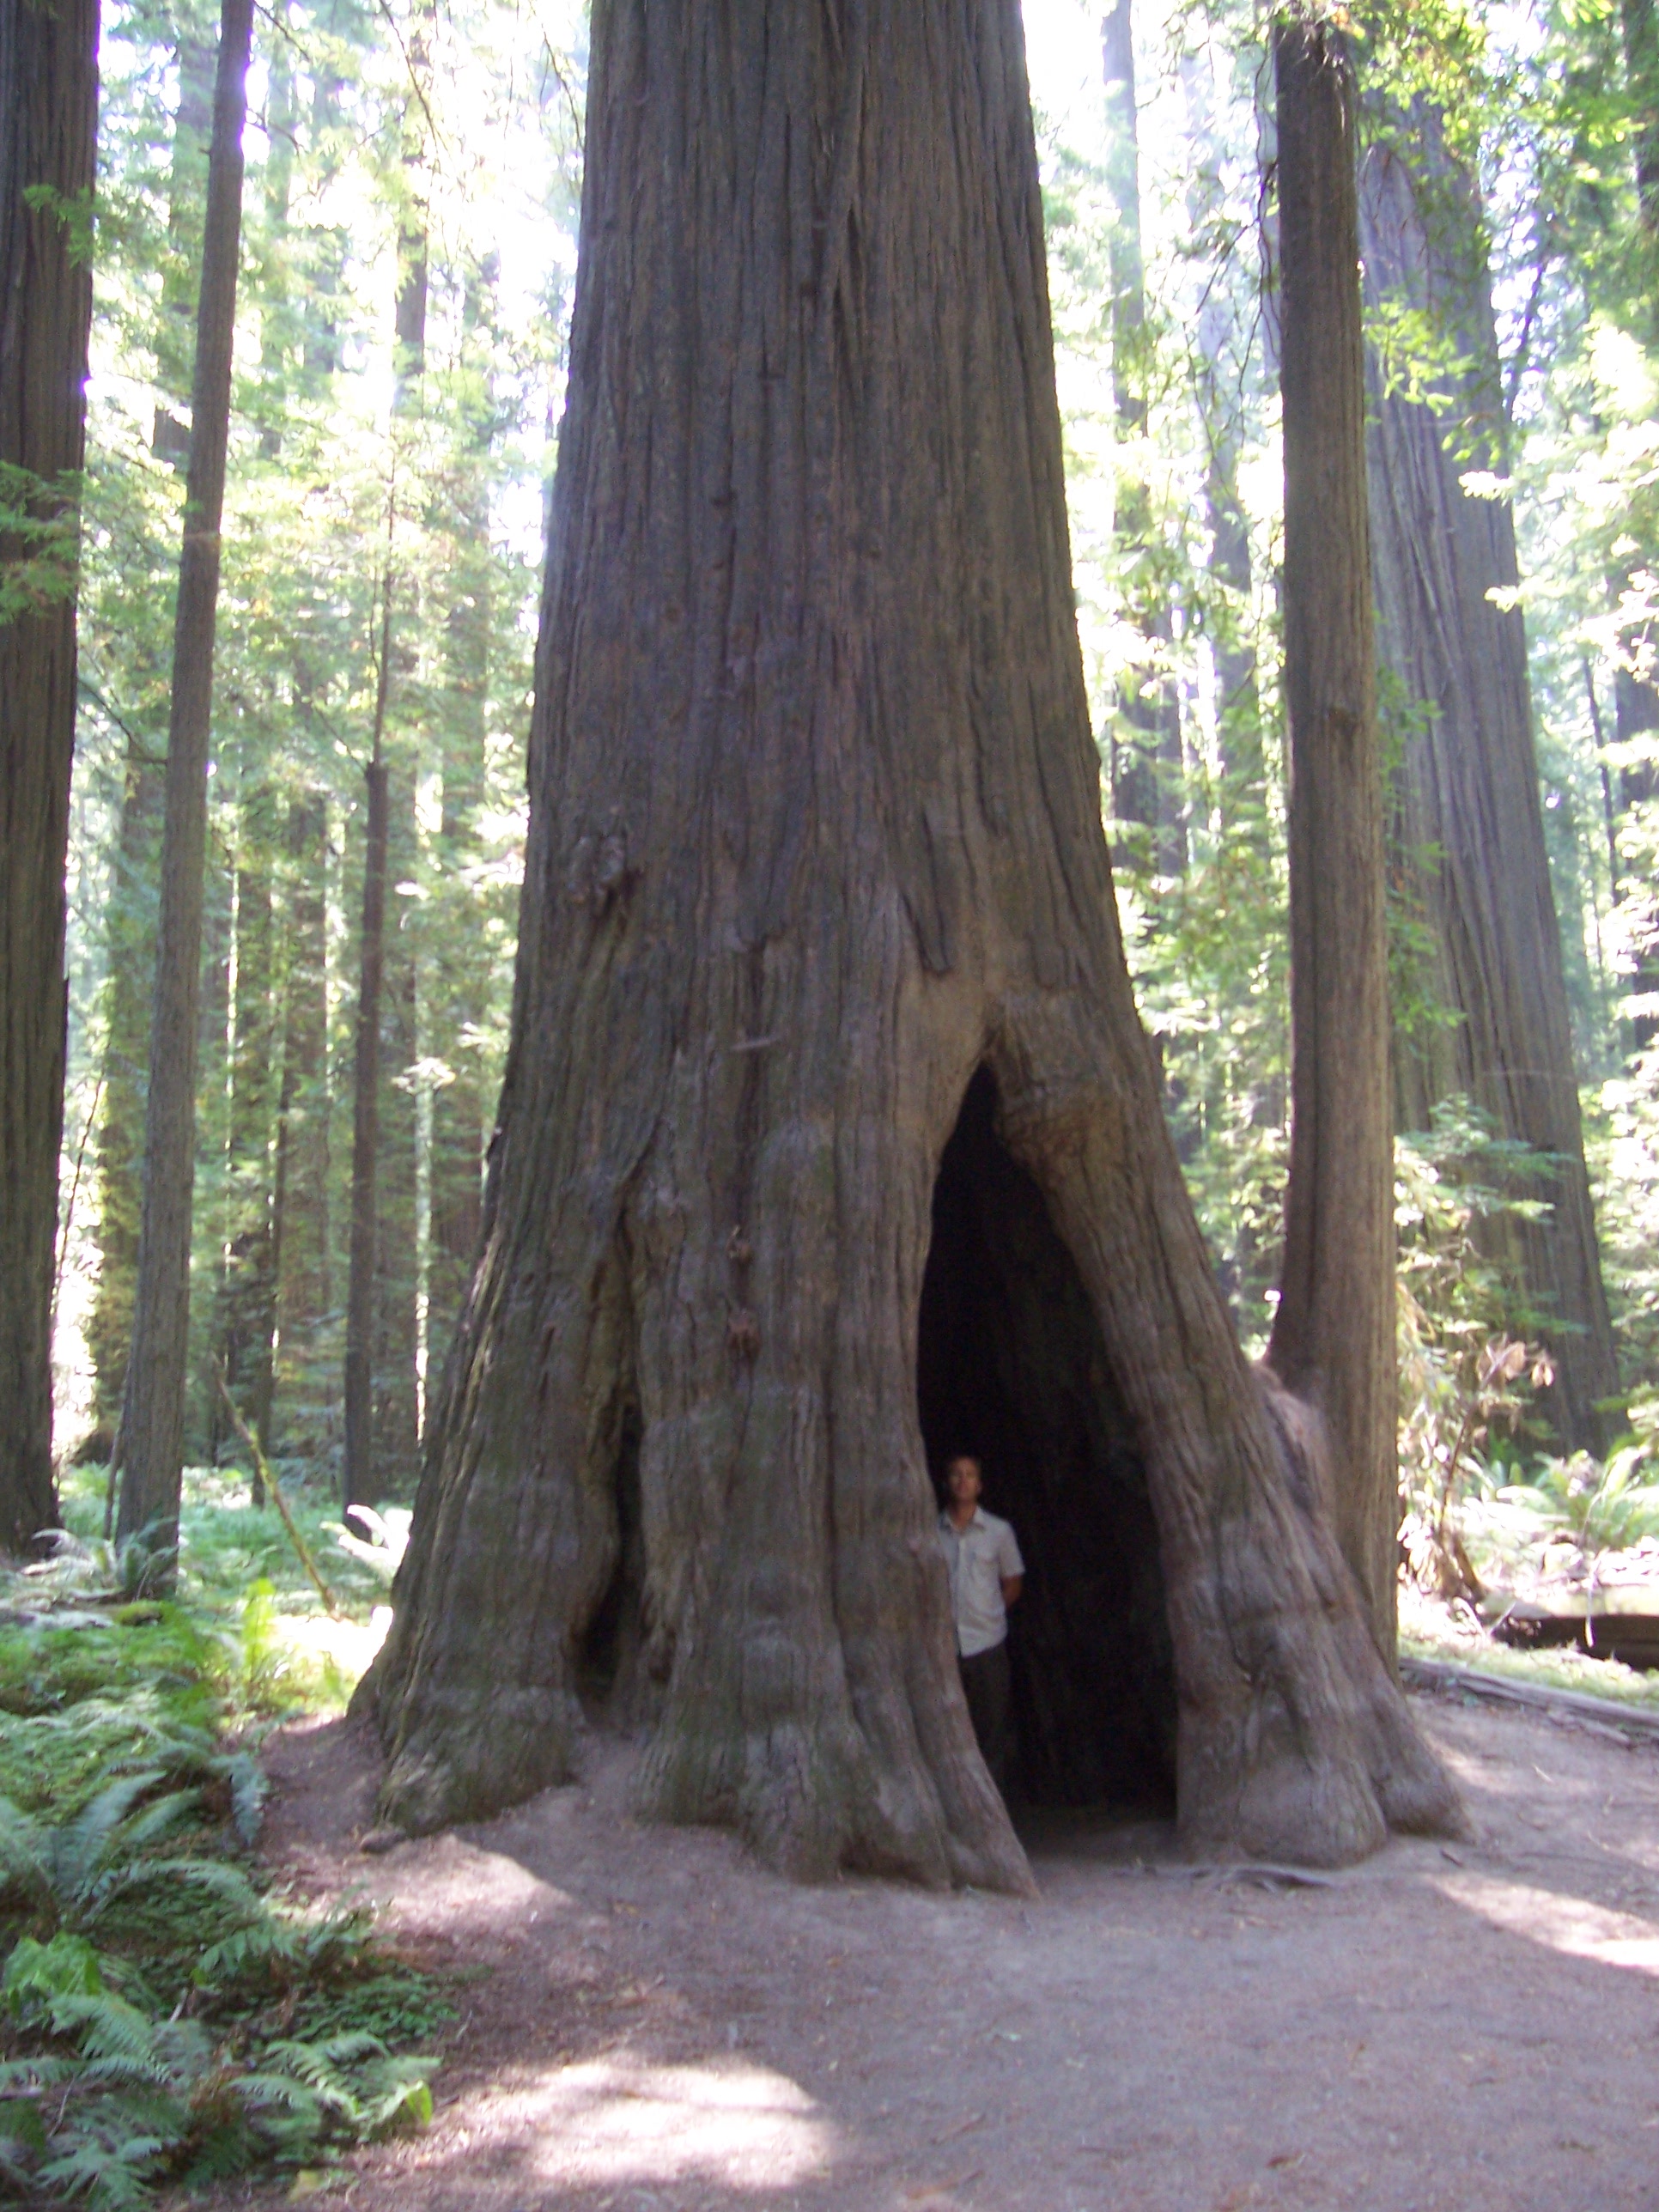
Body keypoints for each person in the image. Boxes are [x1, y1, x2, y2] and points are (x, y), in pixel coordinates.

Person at [937, 1455, 1024, 1791]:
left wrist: (991, 1612)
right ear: (947, 1482)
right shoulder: (931, 1530)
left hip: (987, 1644)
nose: (963, 1481)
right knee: (949, 1734)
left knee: (991, 1732)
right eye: (956, 1474)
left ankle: (993, 1808)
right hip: (945, 1647)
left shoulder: (999, 1532)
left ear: (980, 1485)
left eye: (970, 1475)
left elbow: (1013, 1581)